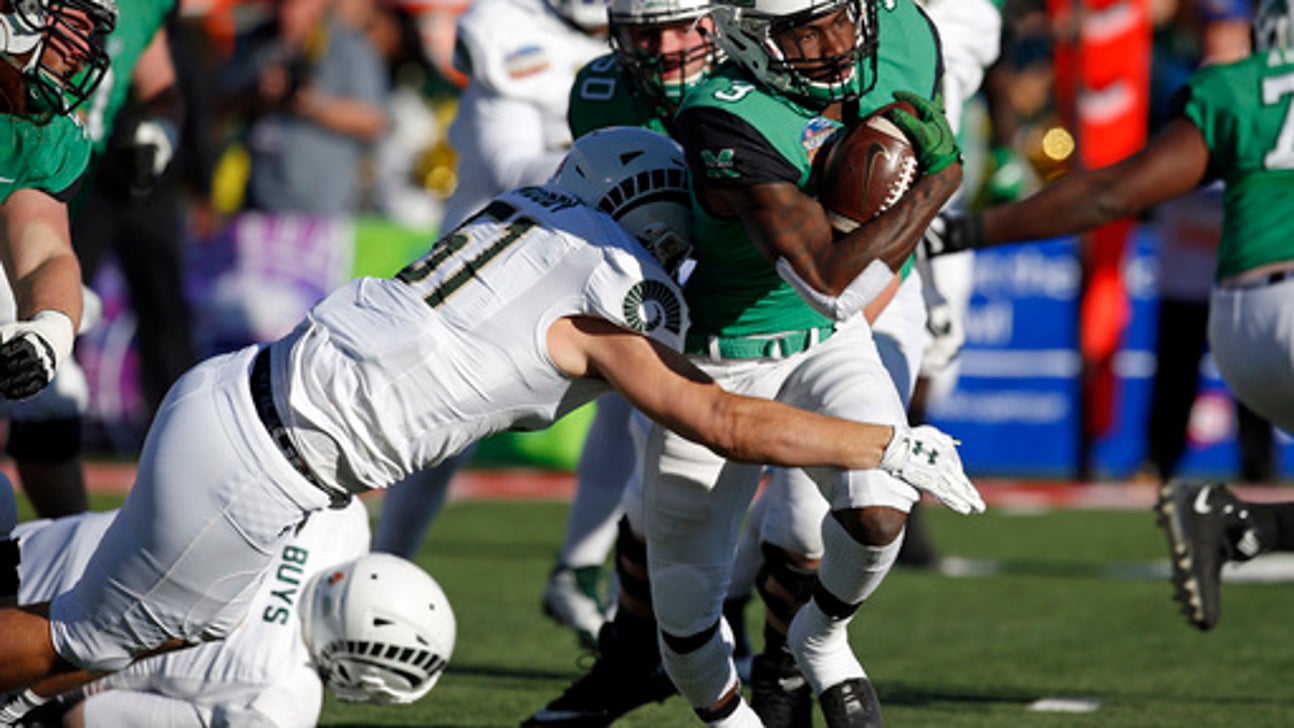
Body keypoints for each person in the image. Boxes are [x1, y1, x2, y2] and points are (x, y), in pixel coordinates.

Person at [0, 127, 982, 720]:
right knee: (88, 638)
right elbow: (720, 416)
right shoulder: (609, 298)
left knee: (173, 622)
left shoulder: (520, 213)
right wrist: (884, 442)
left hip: (235, 394)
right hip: (266, 461)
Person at [617, 0, 968, 724]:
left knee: (880, 508)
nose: (836, 42)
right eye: (805, 28)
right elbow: (825, 281)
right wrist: (938, 182)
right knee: (684, 624)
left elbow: (842, 291)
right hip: (714, 366)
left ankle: (823, 637)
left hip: (821, 346)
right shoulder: (722, 110)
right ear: (745, 33)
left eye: (841, 17)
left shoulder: (904, 30)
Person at [924, 0, 1294, 631]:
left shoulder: (1235, 85)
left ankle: (1251, 522)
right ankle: (1248, 520)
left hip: (1239, 325)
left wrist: (962, 232)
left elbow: (1109, 193)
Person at [372, 0, 617, 649]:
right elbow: (511, 166)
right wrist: (635, 169)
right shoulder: (503, 26)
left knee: (650, 392)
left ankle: (584, 567)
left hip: (599, 262)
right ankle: (383, 564)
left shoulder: (663, 30)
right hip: (487, 261)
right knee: (436, 432)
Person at [2, 492, 457, 726]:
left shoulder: (340, 516)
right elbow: (87, 720)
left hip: (25, 544)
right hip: (22, 641)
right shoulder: (279, 693)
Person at [0, 0, 117, 412]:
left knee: (55, 403)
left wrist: (49, 331)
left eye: (89, 32)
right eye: (74, 26)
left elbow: (44, 253)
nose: (81, 48)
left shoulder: (44, 133)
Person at [217, 0, 389, 216]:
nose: (287, 13)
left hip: (324, 209)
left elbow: (374, 121)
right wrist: (257, 93)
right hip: (260, 203)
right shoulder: (257, 42)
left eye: (296, 5)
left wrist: (314, 104)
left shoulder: (350, 47)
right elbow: (219, 100)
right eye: (282, 4)